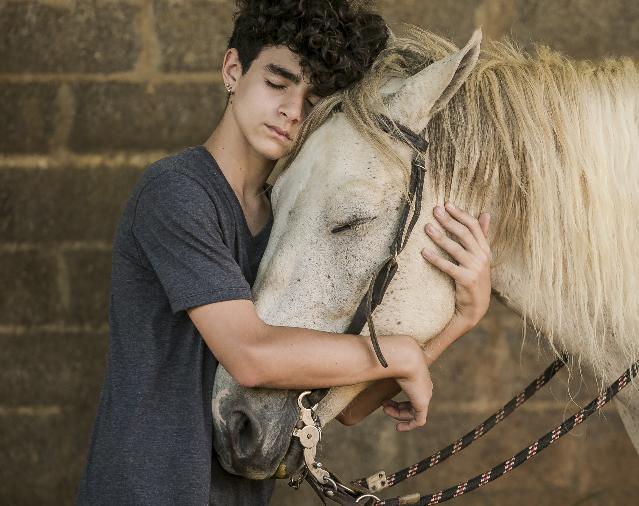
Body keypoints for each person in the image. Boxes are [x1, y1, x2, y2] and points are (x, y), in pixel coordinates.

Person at [75, 1, 492, 504]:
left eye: (312, 98)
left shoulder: (285, 221)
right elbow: (251, 357)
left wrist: (463, 317)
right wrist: (399, 351)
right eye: (278, 83)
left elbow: (351, 406)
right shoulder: (176, 193)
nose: (292, 111)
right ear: (233, 71)